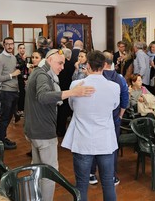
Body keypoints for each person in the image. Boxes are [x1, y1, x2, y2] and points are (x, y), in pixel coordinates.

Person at [24, 49, 95, 201]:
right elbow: (43, 97)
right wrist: (73, 92)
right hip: (43, 131)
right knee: (50, 173)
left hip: (34, 129)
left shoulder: (37, 73)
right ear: (49, 61)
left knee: (37, 169)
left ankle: (33, 198)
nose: (62, 67)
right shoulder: (42, 75)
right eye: (60, 63)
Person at [61, 50, 120, 201]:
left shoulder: (76, 84)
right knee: (108, 183)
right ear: (104, 65)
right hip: (105, 140)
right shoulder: (114, 87)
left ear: (87, 65)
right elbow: (114, 106)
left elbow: (72, 106)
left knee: (81, 184)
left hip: (83, 140)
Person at [89, 51, 129, 186]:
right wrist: (121, 115)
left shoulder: (92, 78)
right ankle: (111, 175)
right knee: (111, 147)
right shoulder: (120, 78)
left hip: (94, 118)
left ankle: (91, 173)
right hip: (113, 117)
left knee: (93, 145)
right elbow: (125, 99)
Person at [0, 37, 21, 150]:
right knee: (4, 118)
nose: (10, 46)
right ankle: (0, 142)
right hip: (5, 92)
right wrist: (12, 75)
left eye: (12, 44)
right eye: (7, 44)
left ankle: (2, 138)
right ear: (4, 45)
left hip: (15, 91)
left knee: (9, 117)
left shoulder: (13, 57)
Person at [57, 48, 75, 137]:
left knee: (59, 110)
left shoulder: (58, 64)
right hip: (68, 90)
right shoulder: (72, 65)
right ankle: (64, 130)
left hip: (58, 89)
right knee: (65, 111)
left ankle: (58, 129)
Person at [15, 43, 28, 119]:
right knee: (20, 94)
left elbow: (25, 68)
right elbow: (17, 68)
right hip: (19, 78)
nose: (22, 49)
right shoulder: (16, 57)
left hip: (25, 77)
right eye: (21, 48)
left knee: (24, 94)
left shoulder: (25, 57)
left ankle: (23, 109)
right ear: (18, 49)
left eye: (23, 48)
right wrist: (23, 61)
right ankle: (19, 110)